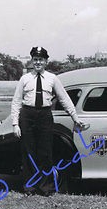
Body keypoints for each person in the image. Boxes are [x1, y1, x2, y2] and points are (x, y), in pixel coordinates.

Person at [11, 46, 84, 196]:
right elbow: (16, 101)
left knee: (45, 153)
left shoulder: (52, 78)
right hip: (27, 115)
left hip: (45, 115)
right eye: (35, 59)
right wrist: (15, 124)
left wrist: (75, 118)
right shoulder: (25, 79)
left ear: (46, 62)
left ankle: (46, 188)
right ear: (32, 61)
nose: (38, 62)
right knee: (28, 153)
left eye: (41, 60)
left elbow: (64, 99)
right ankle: (29, 187)